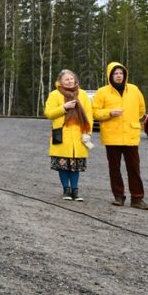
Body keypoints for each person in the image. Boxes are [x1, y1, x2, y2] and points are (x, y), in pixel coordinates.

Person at [92, 62, 148, 209]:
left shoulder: (134, 90)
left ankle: (137, 198)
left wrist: (130, 121)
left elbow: (141, 110)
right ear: (110, 75)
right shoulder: (102, 92)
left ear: (125, 75)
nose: (118, 76)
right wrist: (109, 113)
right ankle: (118, 196)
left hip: (130, 135)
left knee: (134, 168)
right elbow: (95, 112)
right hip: (112, 136)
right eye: (115, 73)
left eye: (121, 73)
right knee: (114, 168)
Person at [44, 69, 94, 201]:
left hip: (78, 135)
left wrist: (88, 132)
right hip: (61, 134)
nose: (70, 81)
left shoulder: (82, 94)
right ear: (60, 82)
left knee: (75, 165)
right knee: (63, 165)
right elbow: (48, 113)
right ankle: (66, 190)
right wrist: (64, 107)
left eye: (71, 78)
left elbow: (89, 114)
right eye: (66, 79)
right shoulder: (54, 95)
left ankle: (75, 191)